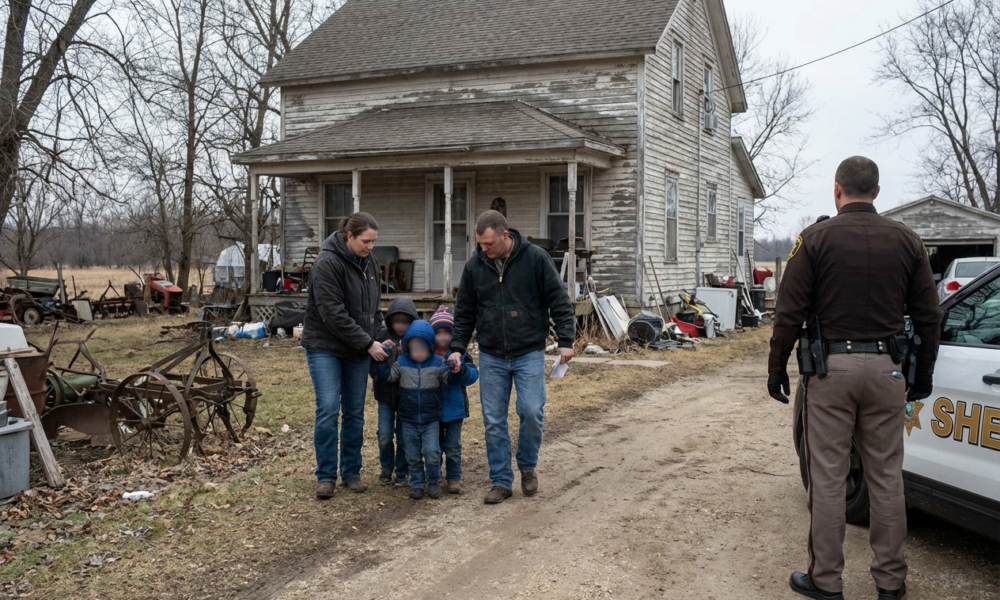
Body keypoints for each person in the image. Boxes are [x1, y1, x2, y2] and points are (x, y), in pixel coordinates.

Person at [767, 157, 941, 600]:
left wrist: (777, 369)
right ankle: (890, 583)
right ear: (877, 192)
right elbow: (929, 316)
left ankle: (826, 582)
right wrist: (924, 373)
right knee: (886, 476)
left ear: (837, 190)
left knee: (827, 477)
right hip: (887, 370)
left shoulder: (814, 238)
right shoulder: (908, 240)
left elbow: (788, 314)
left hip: (830, 372)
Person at [447, 210, 576, 505]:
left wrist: (565, 340)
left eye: (489, 244)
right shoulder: (475, 266)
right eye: (480, 244)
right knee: (493, 420)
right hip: (491, 353)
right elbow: (464, 311)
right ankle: (501, 481)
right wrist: (457, 346)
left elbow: (559, 300)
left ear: (505, 235)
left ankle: (527, 467)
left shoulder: (536, 258)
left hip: (528, 350)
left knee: (531, 411)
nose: (484, 250)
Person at [301, 212, 388, 499]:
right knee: (328, 409)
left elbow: (374, 304)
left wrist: (377, 332)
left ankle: (351, 472)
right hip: (325, 346)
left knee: (354, 412)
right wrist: (367, 344)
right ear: (349, 236)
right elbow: (333, 315)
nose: (370, 247)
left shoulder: (370, 261)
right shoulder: (327, 264)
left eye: (374, 241)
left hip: (358, 348)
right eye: (366, 241)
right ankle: (326, 476)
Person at [376, 320, 477, 500]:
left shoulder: (439, 362)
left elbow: (451, 380)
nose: (418, 350)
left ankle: (434, 480)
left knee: (432, 452)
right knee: (413, 454)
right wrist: (384, 357)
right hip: (408, 418)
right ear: (407, 346)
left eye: (423, 346)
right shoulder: (402, 362)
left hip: (432, 418)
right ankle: (416, 483)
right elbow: (387, 377)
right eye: (414, 346)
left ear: (430, 346)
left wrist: (456, 368)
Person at [430, 306, 479, 494]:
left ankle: (454, 478)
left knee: (453, 446)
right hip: (431, 410)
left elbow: (473, 376)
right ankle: (433, 476)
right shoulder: (426, 355)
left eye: (447, 333)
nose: (442, 338)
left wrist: (462, 370)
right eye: (438, 333)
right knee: (433, 446)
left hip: (455, 409)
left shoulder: (461, 353)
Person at [371, 297, 418, 486]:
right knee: (384, 434)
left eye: (405, 322)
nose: (400, 326)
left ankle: (402, 471)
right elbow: (372, 362)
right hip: (384, 395)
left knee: (404, 437)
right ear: (390, 320)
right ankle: (386, 468)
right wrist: (375, 377)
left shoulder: (415, 340)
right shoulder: (381, 337)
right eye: (396, 321)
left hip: (407, 396)